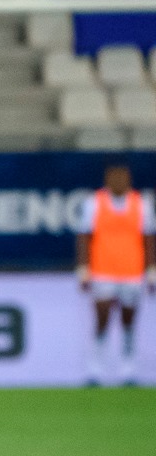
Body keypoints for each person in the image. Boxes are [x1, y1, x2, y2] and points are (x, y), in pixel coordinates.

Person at [74, 160, 153, 387]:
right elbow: (84, 236)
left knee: (129, 320)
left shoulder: (141, 203)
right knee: (102, 318)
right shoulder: (95, 203)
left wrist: (151, 270)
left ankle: (129, 369)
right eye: (114, 178)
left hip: (132, 271)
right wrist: (83, 269)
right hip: (102, 270)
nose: (119, 182)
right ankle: (95, 369)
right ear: (107, 180)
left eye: (123, 178)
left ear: (129, 180)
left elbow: (148, 239)